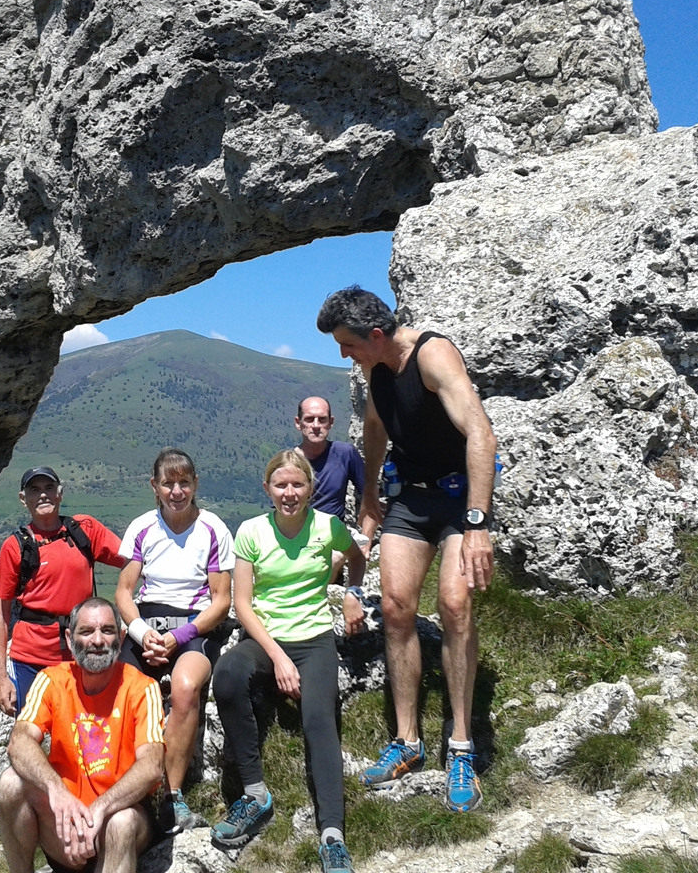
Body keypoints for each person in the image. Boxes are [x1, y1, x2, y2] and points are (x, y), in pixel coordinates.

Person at [316, 286, 497, 813]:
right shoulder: (375, 370)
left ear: (376, 334)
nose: (344, 354)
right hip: (411, 498)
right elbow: (375, 427)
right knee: (396, 608)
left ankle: (460, 746)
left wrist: (478, 524)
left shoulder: (432, 355)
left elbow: (480, 434)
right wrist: (370, 493)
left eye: (348, 344)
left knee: (455, 606)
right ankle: (407, 740)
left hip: (460, 499)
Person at [210, 449, 366, 873]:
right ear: (268, 489)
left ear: (310, 488)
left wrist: (353, 593)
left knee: (319, 719)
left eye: (298, 484)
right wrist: (279, 658)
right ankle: (255, 795)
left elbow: (356, 556)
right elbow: (243, 604)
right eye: (281, 485)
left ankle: (332, 835)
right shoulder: (251, 532)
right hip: (267, 639)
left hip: (315, 640)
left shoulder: (328, 527)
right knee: (227, 675)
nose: (290, 493)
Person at [0, 597, 165, 873]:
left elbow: (152, 765)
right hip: (64, 820)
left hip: (117, 820)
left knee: (121, 822)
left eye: (107, 631)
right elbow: (20, 741)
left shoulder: (143, 688)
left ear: (121, 637)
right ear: (69, 638)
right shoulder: (52, 680)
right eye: (86, 631)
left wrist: (100, 809)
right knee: (10, 783)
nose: (97, 640)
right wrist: (57, 792)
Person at [114, 448, 233, 834]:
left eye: (184, 482)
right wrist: (141, 633)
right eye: (168, 483)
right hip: (147, 625)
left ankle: (172, 796)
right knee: (123, 693)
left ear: (195, 483)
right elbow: (124, 591)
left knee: (184, 688)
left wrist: (178, 636)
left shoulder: (213, 528)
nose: (177, 491)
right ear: (154, 486)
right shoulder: (142, 528)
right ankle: (123, 786)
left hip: (194, 627)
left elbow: (221, 600)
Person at [0, 467, 129, 716]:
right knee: (31, 728)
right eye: (34, 490)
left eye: (49, 488)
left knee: (85, 729)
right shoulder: (15, 547)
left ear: (60, 493)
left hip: (82, 652)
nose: (43, 495)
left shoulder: (84, 530)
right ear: (23, 499)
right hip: (31, 658)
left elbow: (132, 561)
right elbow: (0, 613)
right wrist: (1, 678)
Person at [294, 395, 372, 570]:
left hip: (333, 535)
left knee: (333, 559)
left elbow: (370, 498)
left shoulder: (345, 454)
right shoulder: (289, 462)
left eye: (322, 419)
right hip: (298, 536)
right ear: (298, 423)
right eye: (309, 419)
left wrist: (365, 541)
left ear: (331, 422)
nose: (316, 425)